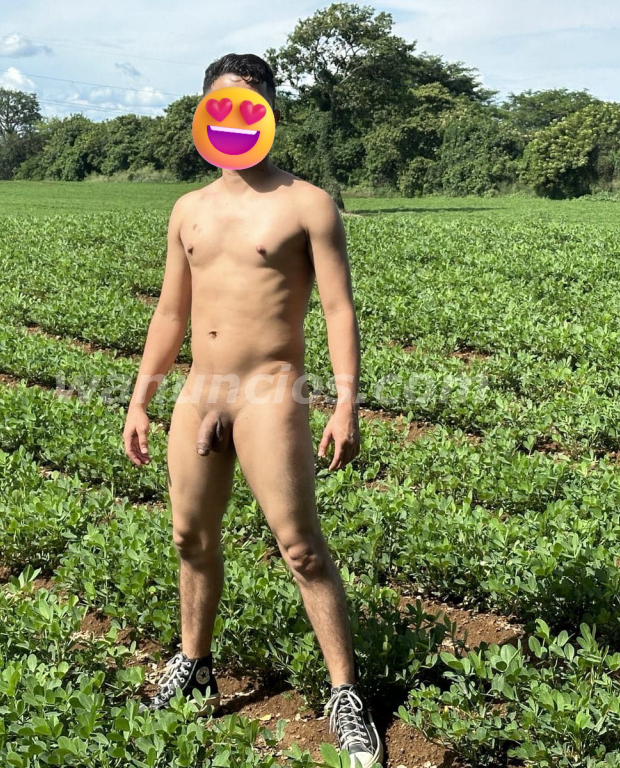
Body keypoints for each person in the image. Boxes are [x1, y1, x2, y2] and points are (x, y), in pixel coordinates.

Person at [122, 53, 382, 768]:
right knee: (189, 538)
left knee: (301, 548)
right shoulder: (188, 209)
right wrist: (141, 399)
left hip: (270, 393)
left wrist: (346, 403)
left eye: (249, 104)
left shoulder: (307, 203)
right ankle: (194, 664)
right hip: (198, 393)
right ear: (204, 114)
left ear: (269, 113)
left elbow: (338, 308)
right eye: (221, 105)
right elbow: (170, 311)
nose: (234, 118)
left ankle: (345, 695)